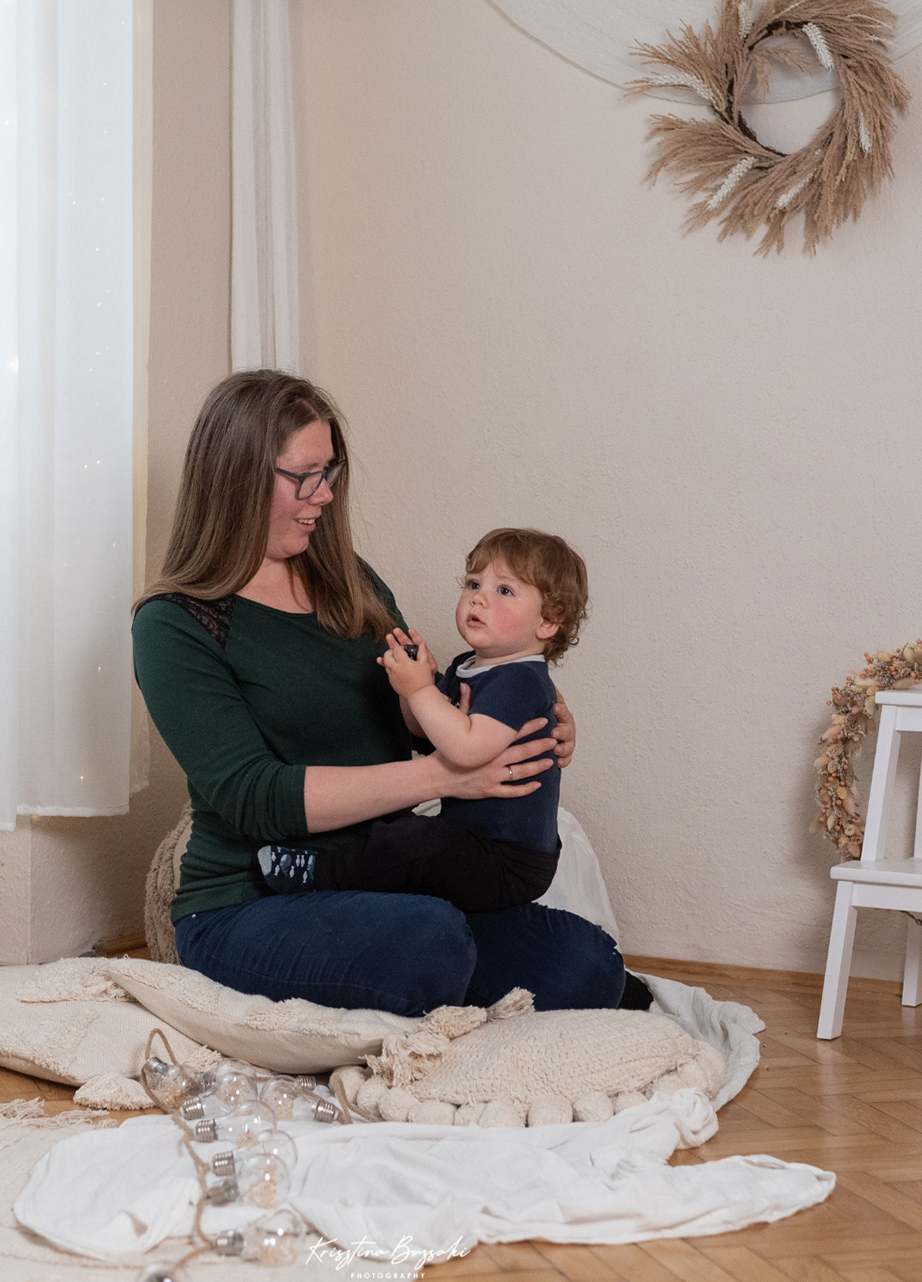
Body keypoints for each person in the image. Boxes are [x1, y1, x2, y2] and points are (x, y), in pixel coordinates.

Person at [132, 369, 635, 1017]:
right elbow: (254, 797)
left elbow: (421, 711)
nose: (323, 495)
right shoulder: (174, 624)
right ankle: (424, 992)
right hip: (250, 903)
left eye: (329, 472)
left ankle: (420, 992)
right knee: (431, 942)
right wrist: (445, 777)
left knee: (589, 963)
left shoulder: (351, 582)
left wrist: (526, 722)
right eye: (303, 476)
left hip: (385, 883)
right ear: (236, 477)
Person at [254, 527, 587, 915]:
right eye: (473, 583)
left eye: (504, 590)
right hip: (471, 839)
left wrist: (420, 690)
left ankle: (319, 874)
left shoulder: (521, 680)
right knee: (408, 841)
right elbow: (421, 727)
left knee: (415, 840)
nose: (478, 597)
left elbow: (466, 749)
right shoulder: (468, 665)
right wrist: (412, 685)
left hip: (507, 859)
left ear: (547, 621)